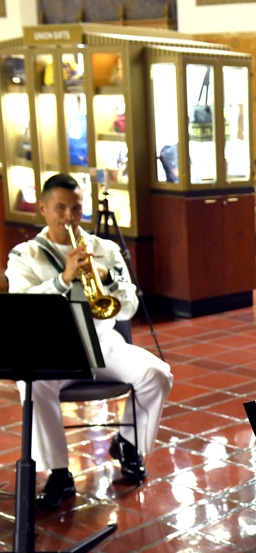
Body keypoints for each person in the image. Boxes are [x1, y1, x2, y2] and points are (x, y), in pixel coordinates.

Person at [6, 173, 173, 508]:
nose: (68, 216)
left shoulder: (106, 249)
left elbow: (129, 308)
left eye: (76, 208)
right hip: (53, 348)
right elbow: (23, 302)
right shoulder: (25, 255)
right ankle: (59, 473)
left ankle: (128, 442)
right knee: (34, 386)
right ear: (43, 208)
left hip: (103, 341)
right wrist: (64, 279)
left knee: (157, 374)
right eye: (60, 208)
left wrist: (109, 278)